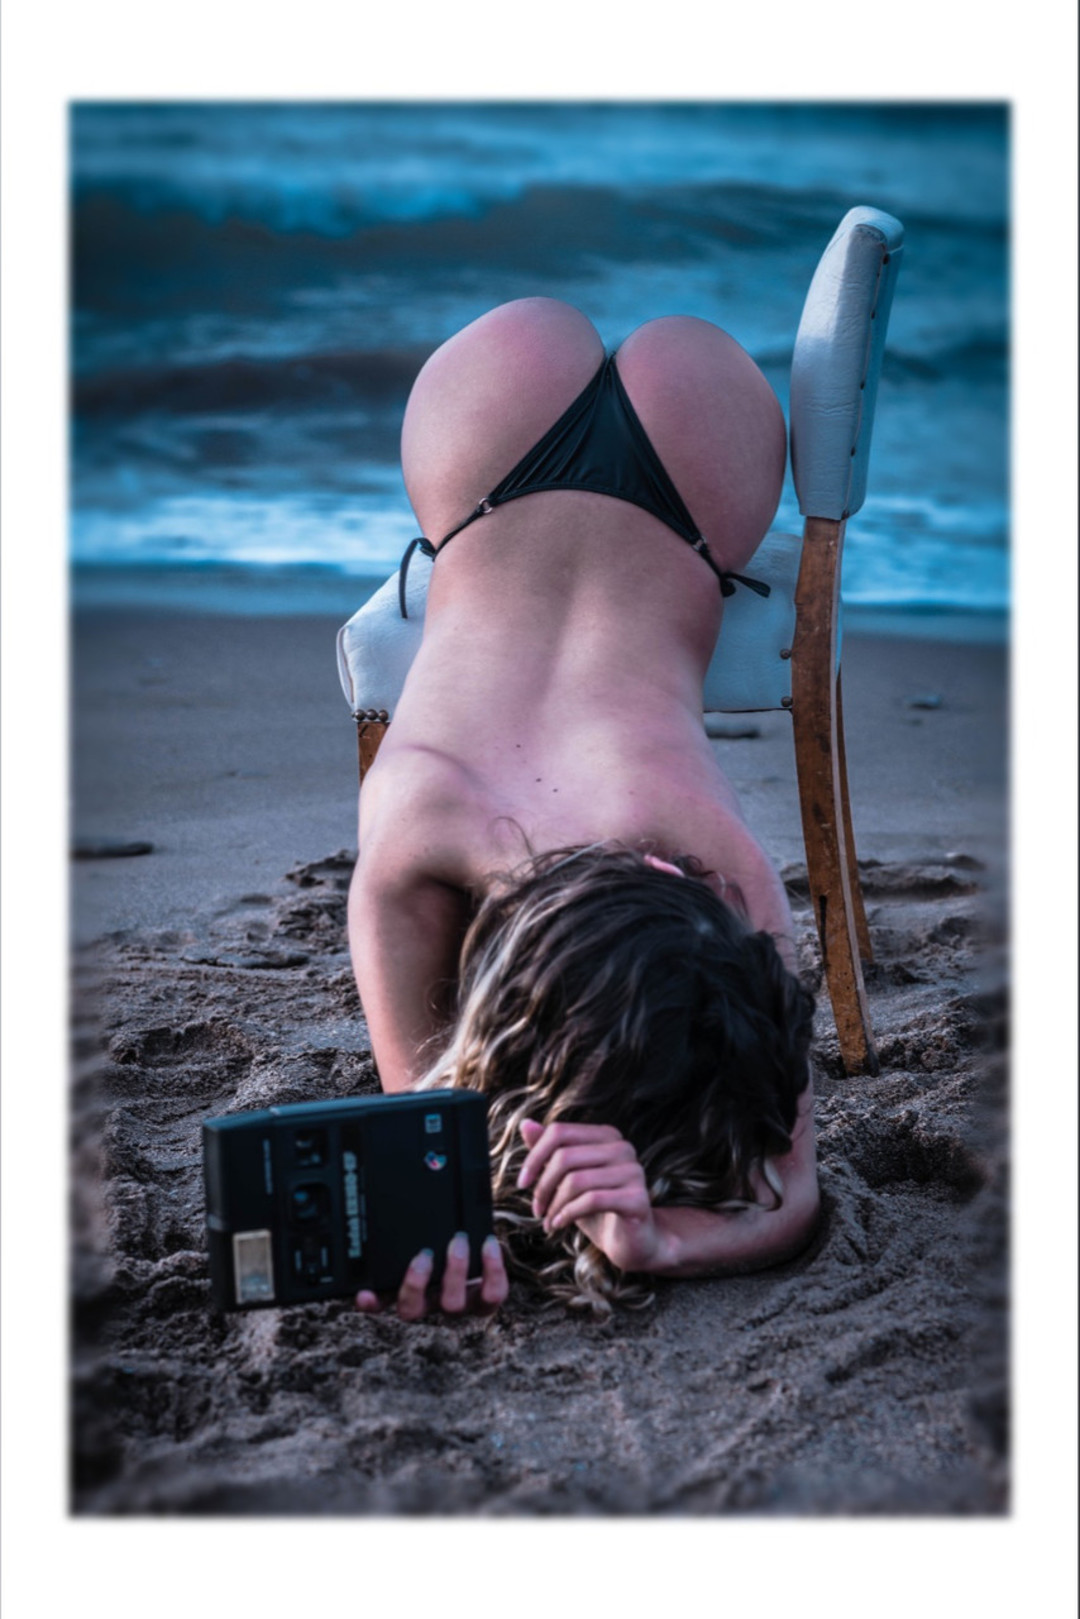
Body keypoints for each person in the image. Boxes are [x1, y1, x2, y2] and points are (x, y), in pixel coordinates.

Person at [347, 297, 819, 1321]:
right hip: (495, 453)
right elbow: (794, 1193)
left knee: (633, 340)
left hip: (684, 444)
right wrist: (661, 1241)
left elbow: (795, 1188)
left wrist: (656, 1234)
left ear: (659, 875)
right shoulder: (421, 832)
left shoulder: (704, 847)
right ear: (667, 873)